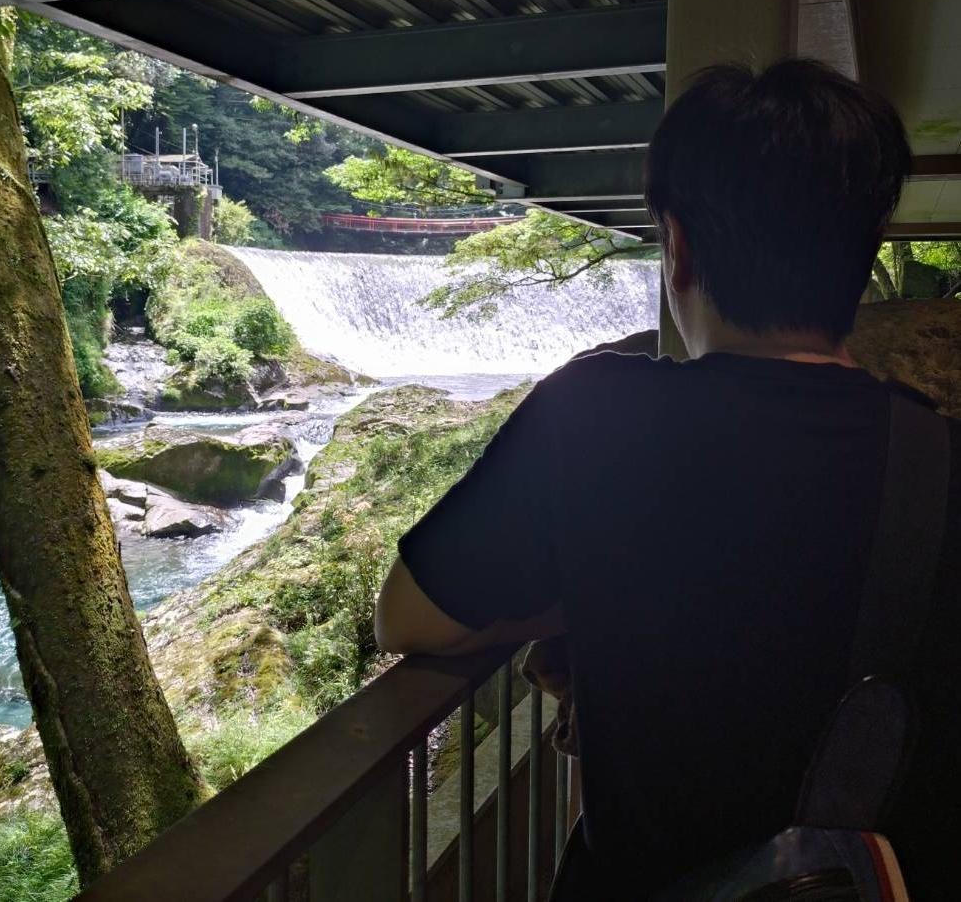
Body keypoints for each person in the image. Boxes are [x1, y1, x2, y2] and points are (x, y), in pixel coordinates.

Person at [374, 60, 960, 899]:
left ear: (678, 247)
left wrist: (588, 591)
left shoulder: (597, 417)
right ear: (864, 256)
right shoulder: (938, 460)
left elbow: (406, 615)